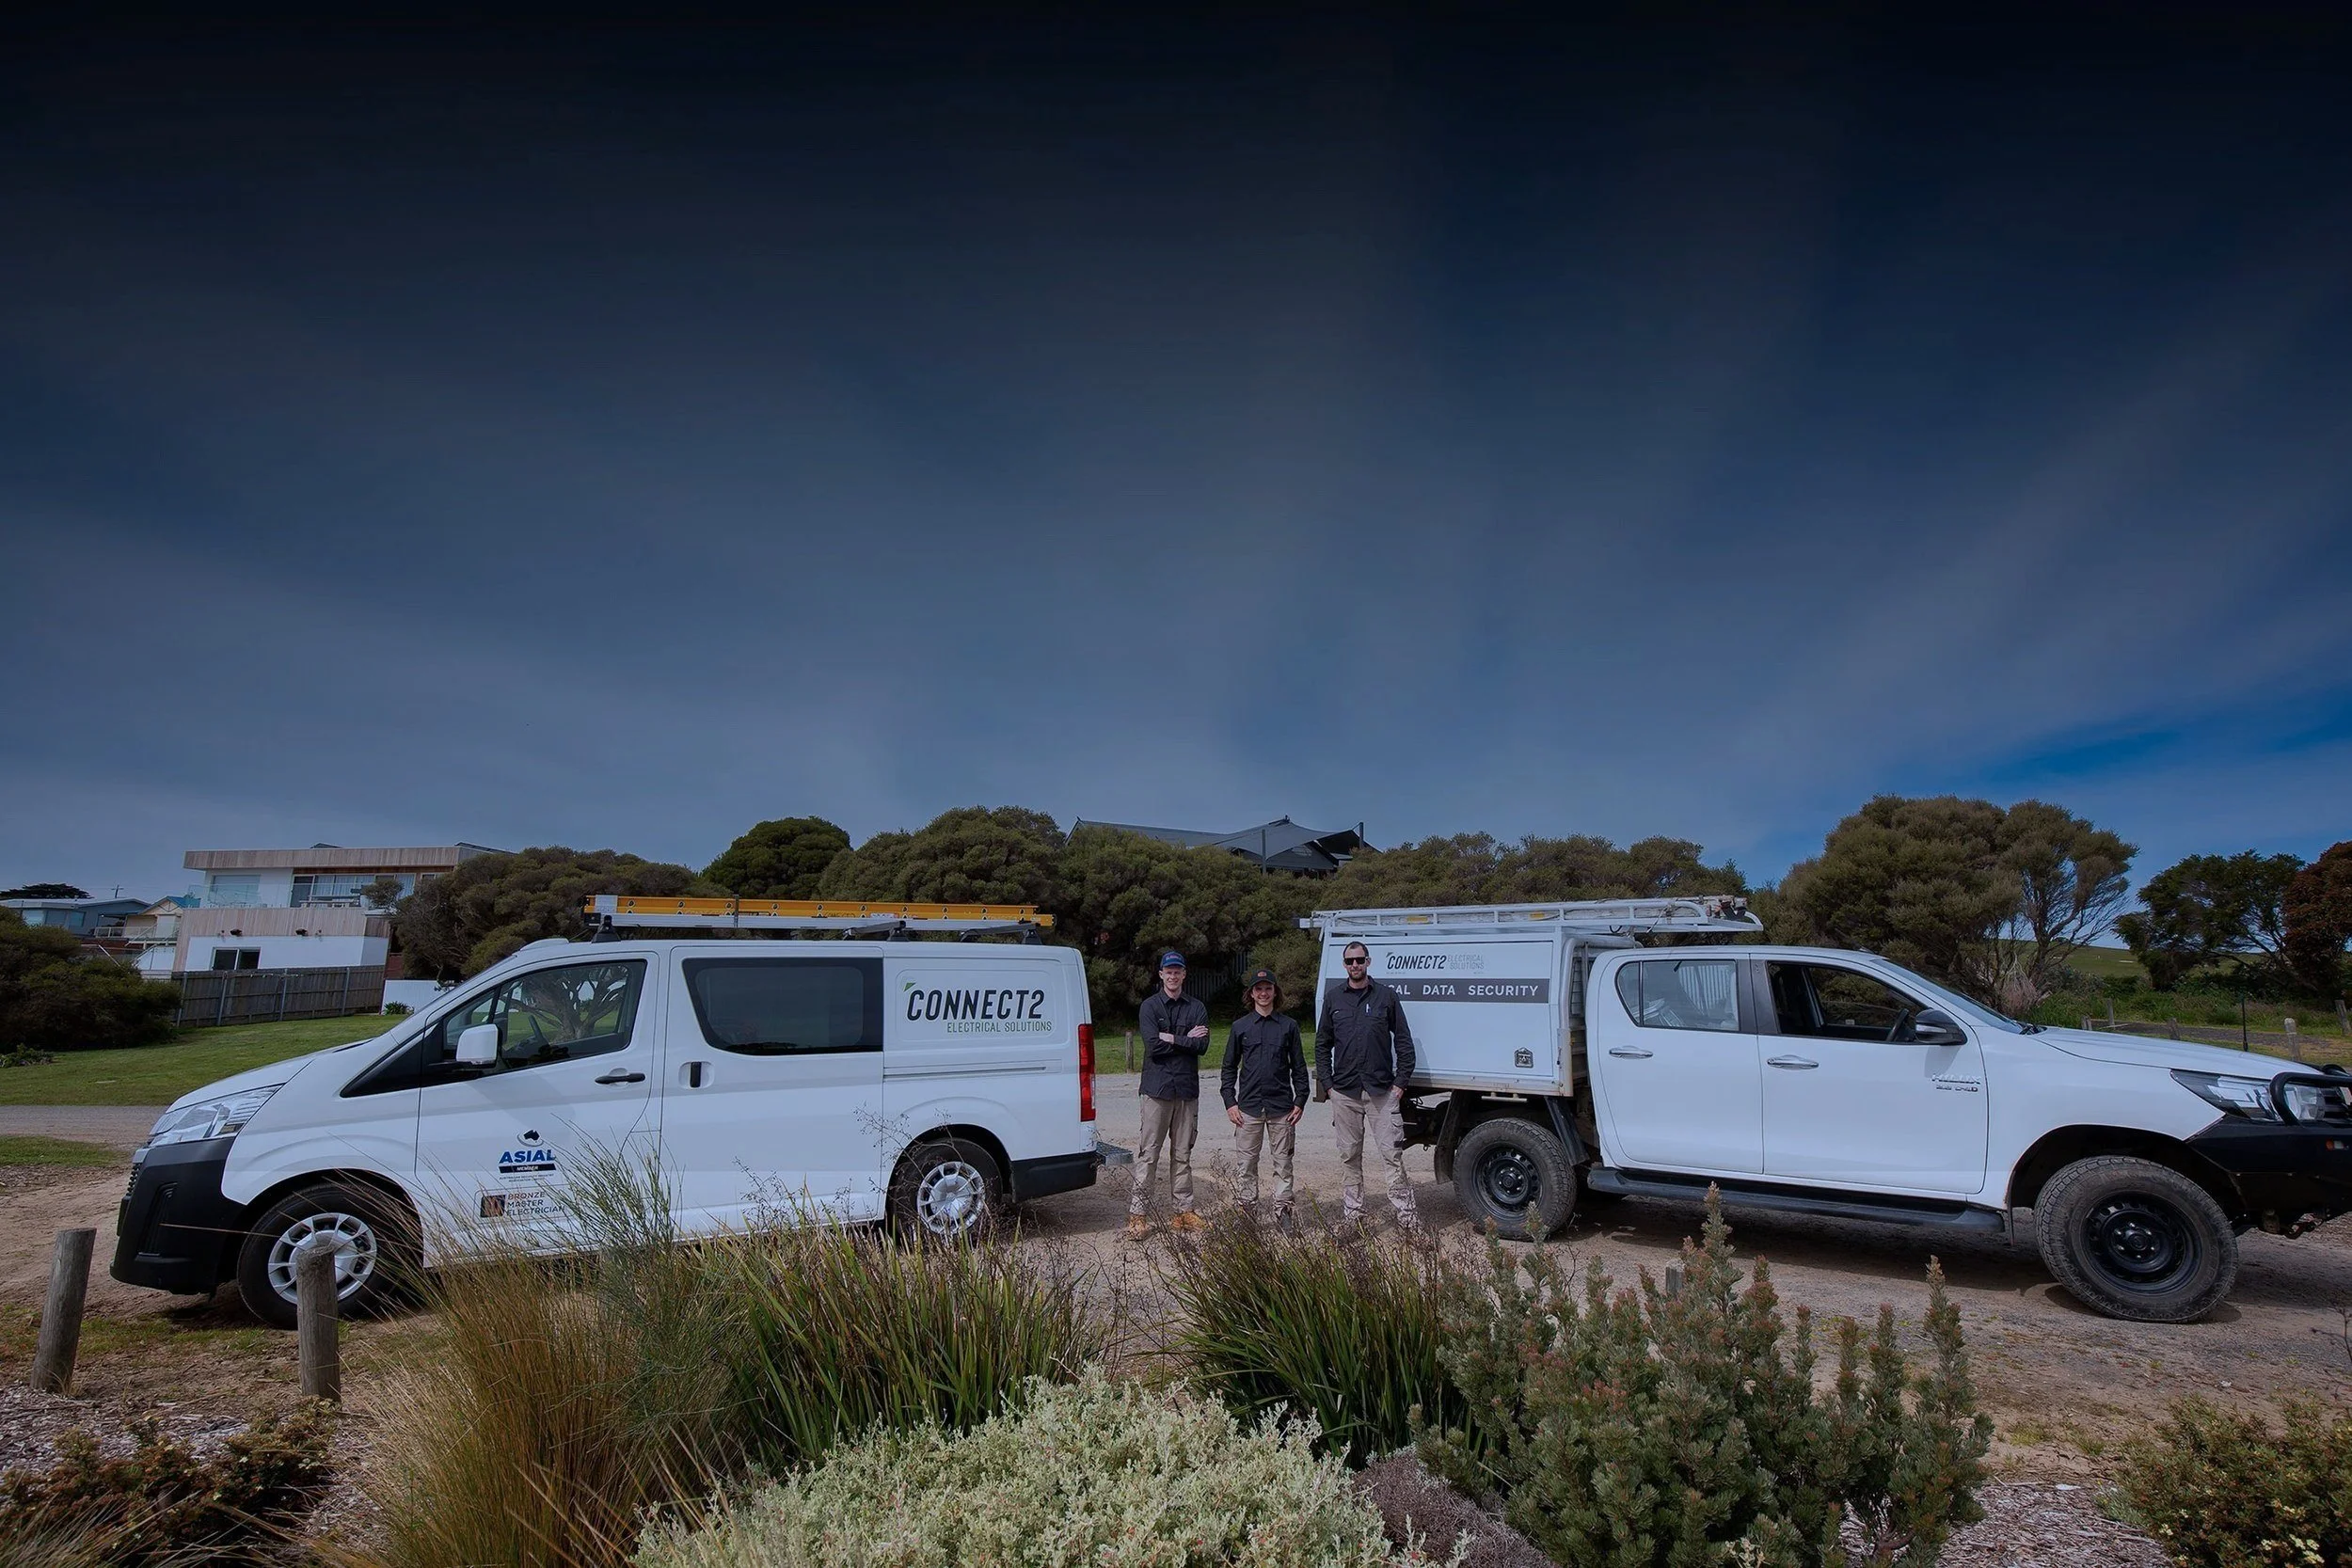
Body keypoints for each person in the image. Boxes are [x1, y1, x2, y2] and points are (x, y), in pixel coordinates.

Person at [1317, 939, 1421, 1227]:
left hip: (1381, 1092)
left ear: (1368, 962)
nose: (1355, 966)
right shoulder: (1334, 998)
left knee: (1392, 1156)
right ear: (1344, 965)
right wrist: (1328, 1085)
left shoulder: (1386, 997)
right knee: (1349, 1156)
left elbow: (1403, 1042)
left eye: (1359, 960)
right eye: (1350, 961)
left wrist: (1399, 1084)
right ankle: (1354, 1217)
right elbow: (1322, 1044)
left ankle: (1408, 1219)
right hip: (1345, 1092)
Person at [1131, 950, 1210, 1237]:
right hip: (1157, 1090)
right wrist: (1187, 1039)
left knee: (1182, 1154)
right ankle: (1137, 1214)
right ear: (1161, 974)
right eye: (1169, 971)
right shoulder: (1150, 1007)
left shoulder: (1197, 1007)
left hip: (1186, 1090)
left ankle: (1183, 1212)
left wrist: (1172, 1038)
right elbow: (1153, 1047)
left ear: (1184, 975)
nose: (1173, 976)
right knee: (1149, 1153)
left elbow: (1202, 1047)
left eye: (1178, 971)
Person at [1220, 967, 1308, 1223]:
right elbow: (1228, 1067)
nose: (1264, 993)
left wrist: (1300, 1101)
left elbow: (1299, 1068)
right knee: (1246, 1165)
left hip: (1282, 1108)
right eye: (1258, 989)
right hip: (1248, 1109)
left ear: (1275, 992)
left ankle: (1283, 1211)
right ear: (1251, 993)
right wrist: (1230, 1102)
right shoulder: (1240, 1027)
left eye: (1268, 988)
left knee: (1283, 1164)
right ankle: (1247, 1211)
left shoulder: (1288, 1026)